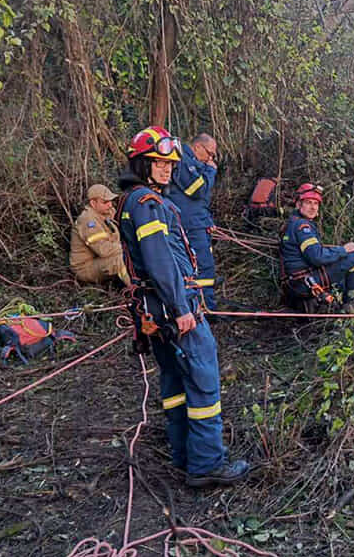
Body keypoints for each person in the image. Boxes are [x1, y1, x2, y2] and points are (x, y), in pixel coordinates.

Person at [117, 126, 249, 487]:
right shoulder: (146, 204)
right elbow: (160, 262)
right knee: (203, 378)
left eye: (170, 164)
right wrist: (181, 308)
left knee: (175, 381)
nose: (166, 169)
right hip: (173, 307)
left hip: (157, 310)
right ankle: (206, 463)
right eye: (158, 163)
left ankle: (184, 453)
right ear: (141, 164)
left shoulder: (139, 202)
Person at [279, 183, 354, 310]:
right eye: (308, 202)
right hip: (304, 282)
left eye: (316, 203)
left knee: (342, 276)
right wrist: (344, 250)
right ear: (298, 204)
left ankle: (339, 304)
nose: (313, 207)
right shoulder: (303, 227)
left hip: (295, 282)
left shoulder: (292, 223)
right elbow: (317, 257)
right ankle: (350, 307)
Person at [167, 133, 219, 311]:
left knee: (202, 266)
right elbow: (197, 190)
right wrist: (210, 170)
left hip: (198, 223)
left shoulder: (192, 162)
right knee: (203, 267)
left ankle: (201, 305)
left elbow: (199, 201)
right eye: (210, 153)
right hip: (190, 225)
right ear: (197, 147)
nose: (210, 159)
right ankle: (205, 308)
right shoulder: (183, 161)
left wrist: (207, 221)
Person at [70, 184, 129, 287]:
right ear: (93, 203)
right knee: (121, 260)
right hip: (85, 267)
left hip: (99, 260)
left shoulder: (106, 212)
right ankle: (135, 290)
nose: (110, 205)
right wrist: (128, 249)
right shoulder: (87, 220)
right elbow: (104, 250)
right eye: (105, 202)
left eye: (110, 201)